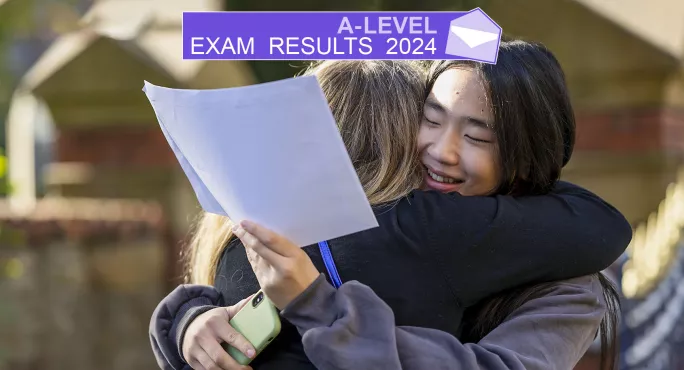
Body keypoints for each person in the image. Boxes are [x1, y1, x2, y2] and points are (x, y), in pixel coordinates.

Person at [150, 42, 630, 370]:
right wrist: (192, 320)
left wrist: (320, 307)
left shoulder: (566, 279)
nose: (442, 150)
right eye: (431, 119)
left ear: (525, 157)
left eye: (478, 136)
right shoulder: (367, 221)